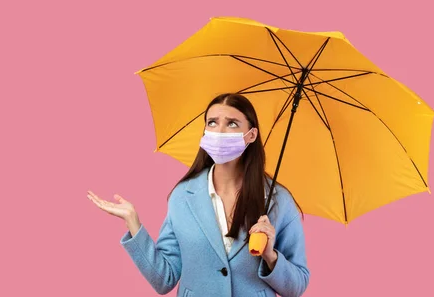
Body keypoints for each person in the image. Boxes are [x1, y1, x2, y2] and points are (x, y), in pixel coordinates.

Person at [87, 93, 310, 297]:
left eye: (232, 123)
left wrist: (271, 256)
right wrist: (134, 224)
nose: (219, 131)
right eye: (212, 122)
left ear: (251, 135)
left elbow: (297, 286)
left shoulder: (278, 201)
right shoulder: (182, 196)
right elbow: (164, 279)